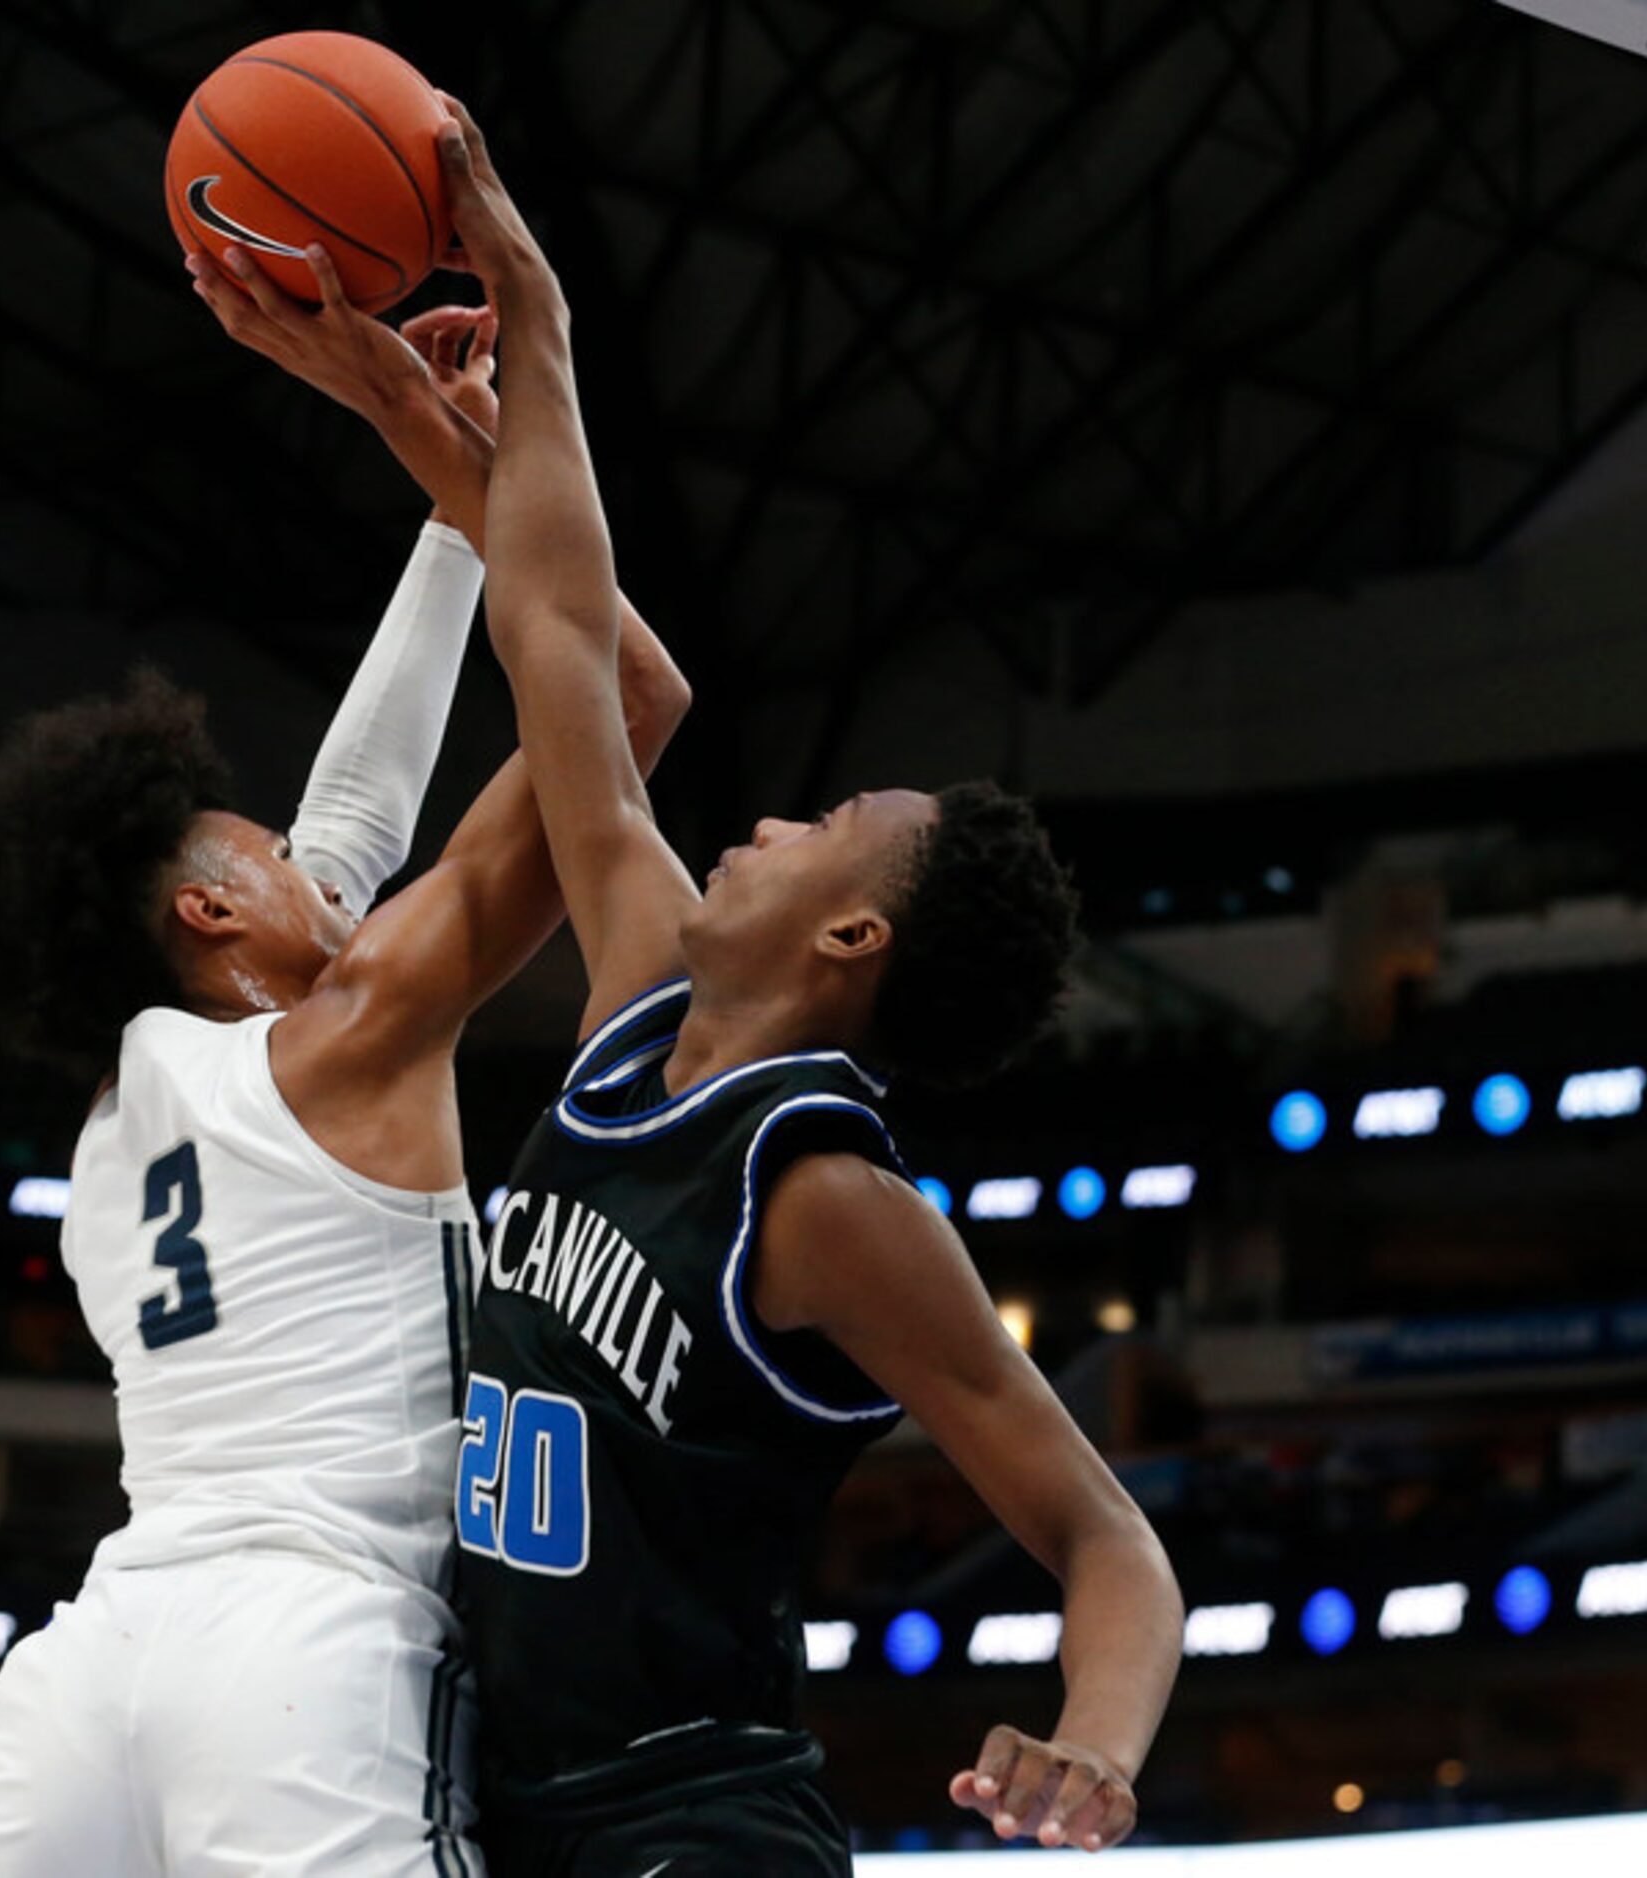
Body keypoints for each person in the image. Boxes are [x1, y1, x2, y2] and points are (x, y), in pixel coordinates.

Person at [434, 99, 1185, 1873]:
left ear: (854, 939)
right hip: (494, 1794)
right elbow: (554, 627)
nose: (767, 819)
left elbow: (1108, 1542)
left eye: (828, 822)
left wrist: (1092, 1749)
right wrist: (519, 323)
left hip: (690, 1820)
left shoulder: (826, 1191)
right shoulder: (634, 1008)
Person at [0, 270, 689, 1877]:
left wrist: (452, 529)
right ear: (213, 909)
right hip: (306, 1647)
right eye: (280, 859)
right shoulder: (360, 1025)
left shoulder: (122, 1111)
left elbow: (357, 812)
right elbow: (629, 702)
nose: (331, 870)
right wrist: (445, 431)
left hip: (103, 1651)